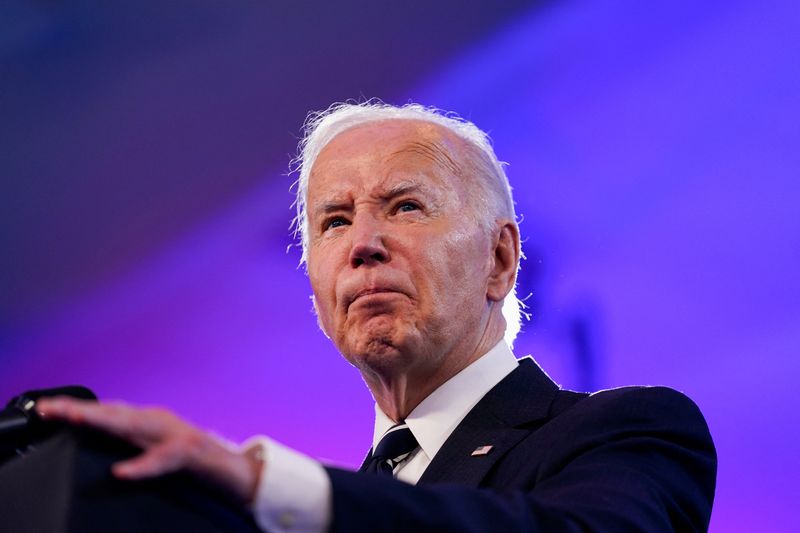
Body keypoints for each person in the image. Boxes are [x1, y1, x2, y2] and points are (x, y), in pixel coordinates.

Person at [37, 102, 717, 532]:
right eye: (333, 221)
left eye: (405, 206)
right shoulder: (351, 499)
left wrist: (257, 479)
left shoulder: (630, 432)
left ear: (500, 259)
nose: (362, 243)